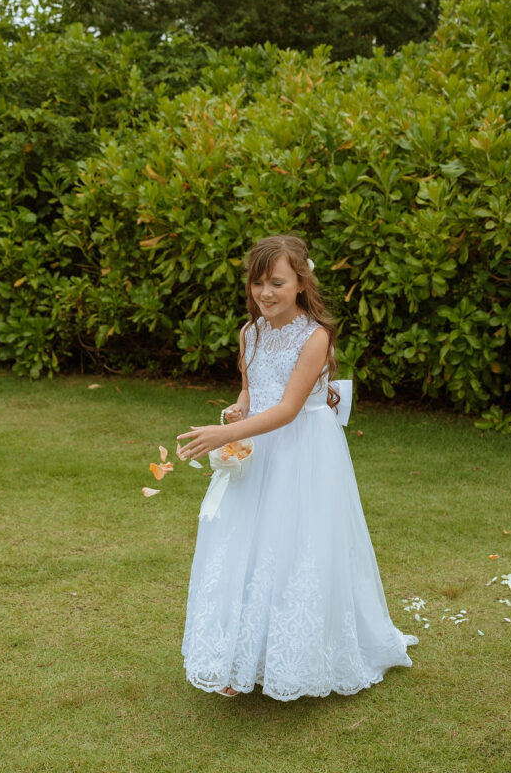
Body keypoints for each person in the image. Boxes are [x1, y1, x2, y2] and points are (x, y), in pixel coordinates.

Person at [176, 233, 418, 701]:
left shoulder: (316, 337)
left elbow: (288, 409)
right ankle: (237, 659)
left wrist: (221, 435)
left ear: (301, 283)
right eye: (257, 283)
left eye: (277, 283)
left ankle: (295, 660)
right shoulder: (249, 334)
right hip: (258, 450)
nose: (265, 293)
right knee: (243, 546)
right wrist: (237, 412)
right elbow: (253, 392)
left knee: (292, 550)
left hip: (302, 452)